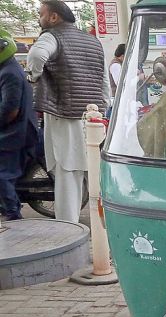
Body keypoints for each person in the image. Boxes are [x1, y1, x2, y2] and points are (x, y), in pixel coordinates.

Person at [26, 0, 108, 222]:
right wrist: (102, 109)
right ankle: (105, 226)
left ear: (54, 17)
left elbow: (36, 56)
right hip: (93, 118)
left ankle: (68, 229)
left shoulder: (51, 36)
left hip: (64, 115)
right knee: (95, 172)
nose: (39, 18)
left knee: (67, 173)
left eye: (41, 14)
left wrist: (33, 76)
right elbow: (104, 83)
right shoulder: (93, 42)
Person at [0, 28, 37, 221]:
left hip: (14, 133)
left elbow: (10, 110)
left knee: (2, 175)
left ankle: (13, 214)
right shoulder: (8, 69)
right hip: (16, 130)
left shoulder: (9, 73)